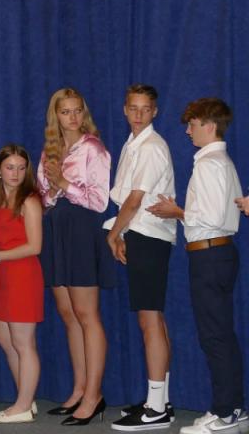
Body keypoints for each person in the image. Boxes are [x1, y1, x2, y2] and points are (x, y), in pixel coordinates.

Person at [148, 98, 245, 434]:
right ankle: (231, 408)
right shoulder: (219, 162)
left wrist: (177, 212)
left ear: (209, 125)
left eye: (192, 124)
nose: (188, 131)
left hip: (210, 254)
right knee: (220, 334)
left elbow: (213, 217)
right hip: (216, 254)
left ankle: (226, 412)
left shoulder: (210, 163)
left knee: (215, 336)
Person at [102, 84, 177, 431]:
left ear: (155, 112)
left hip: (148, 236)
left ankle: (157, 408)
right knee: (153, 318)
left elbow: (134, 200)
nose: (138, 114)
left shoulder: (151, 147)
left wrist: (113, 235)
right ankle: (159, 401)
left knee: (150, 321)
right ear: (124, 109)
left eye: (145, 109)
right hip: (141, 234)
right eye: (133, 108)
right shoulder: (133, 144)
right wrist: (120, 233)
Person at [37, 87, 113, 425]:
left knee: (86, 314)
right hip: (57, 230)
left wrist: (64, 184)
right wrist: (54, 189)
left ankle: (94, 394)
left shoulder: (93, 148)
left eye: (77, 110)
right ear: (55, 115)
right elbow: (43, 196)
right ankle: (80, 388)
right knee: (68, 313)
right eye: (65, 111)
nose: (72, 117)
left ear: (84, 113)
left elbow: (99, 201)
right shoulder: (50, 150)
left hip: (82, 231)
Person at [0, 144, 44, 424]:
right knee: (6, 340)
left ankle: (22, 406)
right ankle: (26, 399)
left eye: (21, 168)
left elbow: (34, 246)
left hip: (23, 275)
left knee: (24, 343)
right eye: (10, 167)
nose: (16, 173)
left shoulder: (30, 201)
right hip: (4, 275)